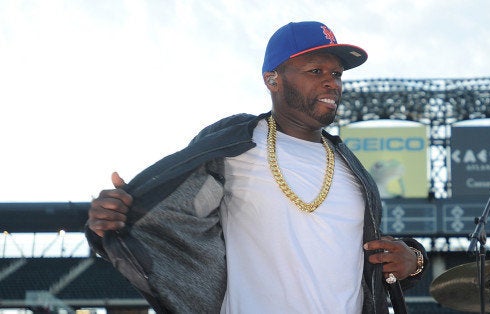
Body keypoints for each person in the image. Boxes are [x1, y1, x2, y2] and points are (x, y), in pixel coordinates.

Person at [86, 21, 428, 313]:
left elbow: (374, 265)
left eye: (336, 74)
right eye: (316, 71)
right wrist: (118, 218)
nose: (332, 83)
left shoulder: (353, 170)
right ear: (273, 80)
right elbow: (165, 220)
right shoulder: (234, 147)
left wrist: (414, 260)